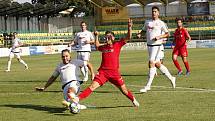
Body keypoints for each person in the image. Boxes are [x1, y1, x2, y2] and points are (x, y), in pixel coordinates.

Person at [69, 18, 139, 108]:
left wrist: (129, 27)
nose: (107, 38)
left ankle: (133, 99)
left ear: (113, 38)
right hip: (103, 73)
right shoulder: (104, 47)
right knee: (92, 87)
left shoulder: (117, 44)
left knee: (124, 91)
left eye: (109, 36)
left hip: (114, 73)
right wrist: (96, 36)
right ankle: (77, 99)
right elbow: (97, 46)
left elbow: (128, 37)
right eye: (106, 37)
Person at [138, 6, 176, 93]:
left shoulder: (161, 23)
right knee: (158, 64)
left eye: (155, 11)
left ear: (158, 13)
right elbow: (143, 30)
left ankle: (148, 86)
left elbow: (168, 34)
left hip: (157, 45)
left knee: (151, 62)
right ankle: (171, 78)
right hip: (149, 46)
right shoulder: (147, 22)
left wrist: (159, 36)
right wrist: (140, 34)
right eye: (153, 11)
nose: (154, 13)